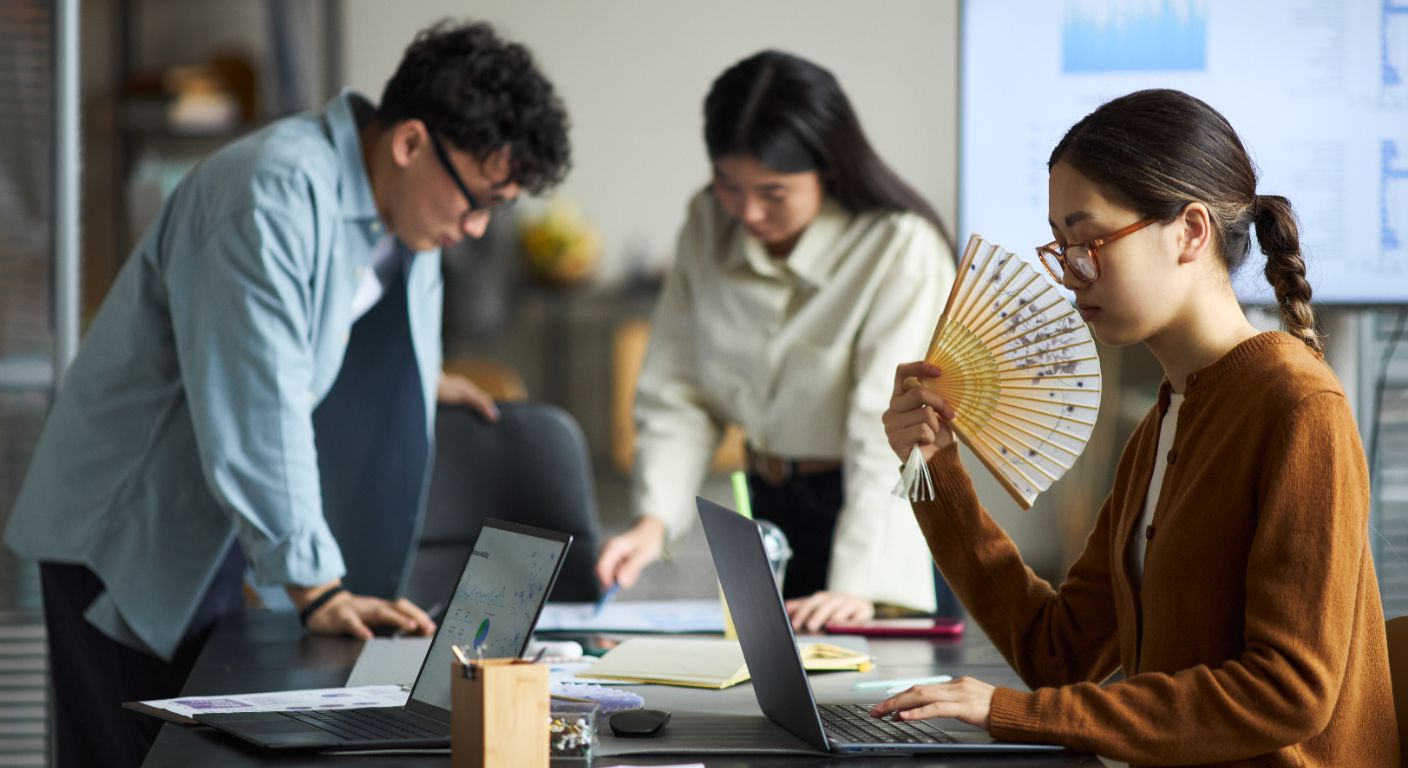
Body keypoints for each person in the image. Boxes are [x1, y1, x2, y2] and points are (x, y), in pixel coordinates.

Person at [4, 20, 569, 767]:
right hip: (123, 532)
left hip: (212, 523)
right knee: (140, 757)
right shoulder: (267, 195)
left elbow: (310, 327)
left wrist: (418, 378)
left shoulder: (404, 210)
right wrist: (317, 588)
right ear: (410, 143)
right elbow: (257, 400)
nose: (475, 228)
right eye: (476, 200)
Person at [875, 89, 1397, 766]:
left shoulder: (1298, 406)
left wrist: (1014, 711)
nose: (1071, 274)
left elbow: (1287, 693)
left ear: (1190, 232)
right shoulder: (1164, 423)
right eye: (1062, 246)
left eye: (1089, 242)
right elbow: (1058, 654)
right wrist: (934, 467)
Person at [595, 50, 956, 631]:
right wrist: (653, 521)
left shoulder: (899, 246)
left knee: (875, 686)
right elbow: (678, 391)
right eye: (728, 185)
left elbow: (882, 429)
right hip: (767, 508)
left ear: (827, 169)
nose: (749, 212)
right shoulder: (707, 224)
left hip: (878, 523)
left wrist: (859, 583)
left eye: (774, 191)